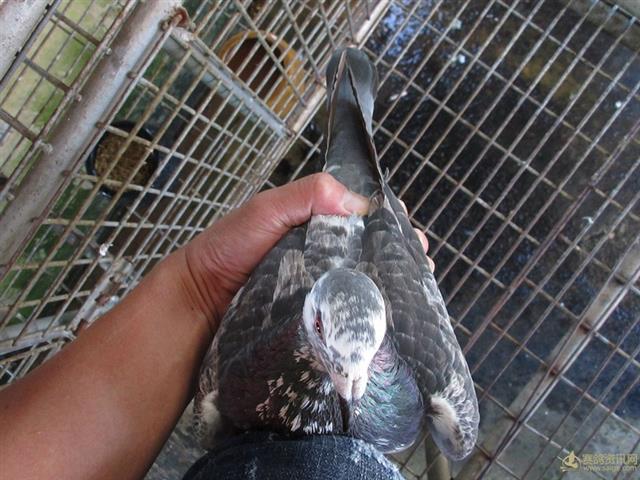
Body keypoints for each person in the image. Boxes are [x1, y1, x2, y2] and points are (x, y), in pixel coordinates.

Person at [0, 173, 433, 480]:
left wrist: (200, 287)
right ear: (311, 318)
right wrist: (197, 286)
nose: (349, 388)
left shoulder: (230, 384)